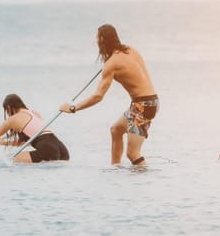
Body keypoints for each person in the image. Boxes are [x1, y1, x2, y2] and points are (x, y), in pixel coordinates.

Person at [59, 24, 158, 166]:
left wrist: (73, 108)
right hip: (146, 101)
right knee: (116, 130)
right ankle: (115, 168)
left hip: (144, 105)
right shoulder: (129, 49)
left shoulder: (111, 64)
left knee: (132, 153)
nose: (96, 41)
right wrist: (108, 61)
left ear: (102, 39)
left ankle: (143, 185)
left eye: (97, 38)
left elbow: (98, 96)